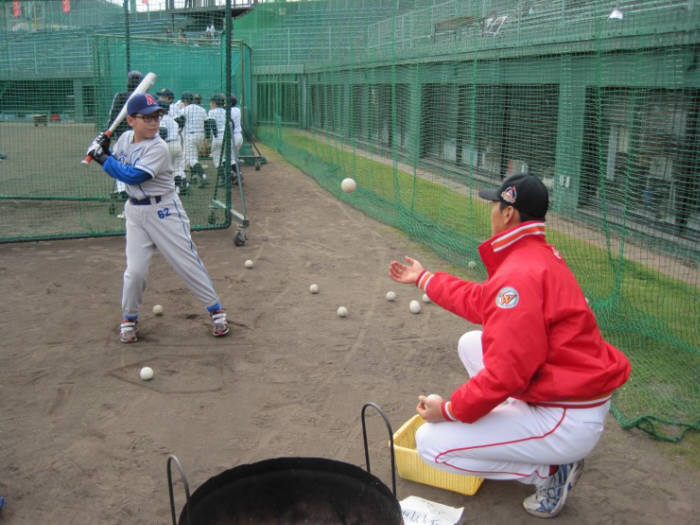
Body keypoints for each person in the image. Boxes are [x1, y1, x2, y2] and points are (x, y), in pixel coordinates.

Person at [389, 173, 631, 519]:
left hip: (566, 416)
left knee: (431, 446)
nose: (491, 211)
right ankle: (532, 439)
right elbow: (482, 300)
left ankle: (550, 471)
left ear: (508, 214)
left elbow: (505, 373)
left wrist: (450, 410)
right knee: (472, 343)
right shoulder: (536, 256)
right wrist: (426, 279)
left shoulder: (520, 272)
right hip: (570, 393)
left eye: (495, 204)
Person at [85, 93, 230, 343]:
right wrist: (105, 149)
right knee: (135, 272)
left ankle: (216, 311)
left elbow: (132, 176)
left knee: (186, 262)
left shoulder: (159, 147)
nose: (154, 123)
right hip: (135, 213)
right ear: (130, 120)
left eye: (157, 117)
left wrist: (102, 159)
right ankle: (129, 318)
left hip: (164, 211)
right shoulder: (124, 140)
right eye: (148, 117)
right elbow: (118, 163)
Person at [107, 70, 143, 213]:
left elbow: (114, 116)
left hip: (123, 136)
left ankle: (123, 191)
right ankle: (134, 193)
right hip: (141, 137)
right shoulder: (145, 98)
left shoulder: (121, 96)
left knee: (120, 163)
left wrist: (109, 133)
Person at [180, 91, 209, 187]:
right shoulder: (202, 109)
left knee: (190, 160)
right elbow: (207, 124)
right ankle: (193, 177)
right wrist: (207, 139)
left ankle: (203, 176)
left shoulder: (185, 109)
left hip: (190, 136)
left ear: (186, 100)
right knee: (194, 157)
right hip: (200, 136)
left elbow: (180, 122)